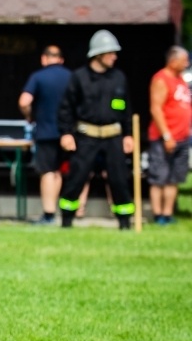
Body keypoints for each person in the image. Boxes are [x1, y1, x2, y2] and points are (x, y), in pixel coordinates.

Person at [57, 30, 134, 230]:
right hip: (86, 138)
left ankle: (124, 223)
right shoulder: (79, 77)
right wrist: (66, 133)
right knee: (77, 178)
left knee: (119, 180)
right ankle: (66, 221)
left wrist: (128, 135)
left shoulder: (119, 78)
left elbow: (126, 109)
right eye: (111, 53)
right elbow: (66, 108)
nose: (114, 57)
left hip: (113, 138)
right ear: (98, 54)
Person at [18, 45, 71, 224]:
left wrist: (29, 116)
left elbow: (24, 101)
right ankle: (60, 212)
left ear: (44, 59)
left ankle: (48, 214)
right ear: (61, 59)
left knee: (47, 171)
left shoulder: (38, 77)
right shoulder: (71, 76)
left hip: (46, 131)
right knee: (58, 172)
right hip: (68, 134)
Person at [147, 45, 191, 225]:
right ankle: (157, 215)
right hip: (163, 138)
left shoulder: (180, 79)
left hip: (182, 137)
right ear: (173, 61)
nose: (187, 63)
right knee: (159, 177)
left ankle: (168, 213)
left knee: (174, 178)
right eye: (184, 60)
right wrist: (166, 135)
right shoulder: (161, 79)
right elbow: (156, 108)